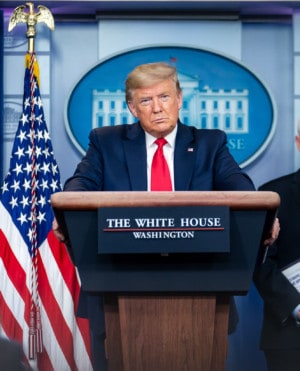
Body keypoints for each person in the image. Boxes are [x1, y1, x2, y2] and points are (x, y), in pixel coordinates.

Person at [53, 62, 279, 370]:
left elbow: (240, 187)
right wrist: (67, 210)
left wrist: (264, 214)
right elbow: (79, 184)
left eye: (165, 97)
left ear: (180, 99)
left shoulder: (209, 144)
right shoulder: (106, 142)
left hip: (202, 285)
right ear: (132, 108)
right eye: (146, 100)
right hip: (116, 285)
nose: (158, 108)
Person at [253, 125, 300, 371]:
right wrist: (297, 307)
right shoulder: (273, 195)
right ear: (298, 142)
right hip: (290, 340)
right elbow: (260, 263)